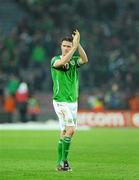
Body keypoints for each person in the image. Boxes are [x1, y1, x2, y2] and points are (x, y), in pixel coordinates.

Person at [51, 30, 88, 171]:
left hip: (73, 101)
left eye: (69, 46)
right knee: (71, 130)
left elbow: (84, 60)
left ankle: (59, 163)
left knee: (65, 131)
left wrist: (78, 45)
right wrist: (74, 47)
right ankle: (64, 162)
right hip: (61, 101)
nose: (66, 48)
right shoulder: (55, 60)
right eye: (64, 46)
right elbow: (62, 63)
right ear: (60, 46)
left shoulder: (73, 61)